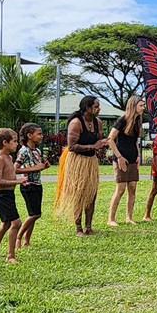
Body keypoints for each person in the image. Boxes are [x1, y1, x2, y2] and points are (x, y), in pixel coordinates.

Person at [54, 95, 108, 236]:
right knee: (79, 193)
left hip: (91, 162)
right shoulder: (76, 123)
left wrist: (102, 143)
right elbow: (72, 146)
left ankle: (88, 227)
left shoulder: (98, 122)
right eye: (96, 106)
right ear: (87, 108)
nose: (98, 109)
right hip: (77, 161)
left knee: (91, 194)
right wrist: (93, 146)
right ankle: (78, 228)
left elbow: (98, 139)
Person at [0, 128, 27, 263]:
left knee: (5, 224)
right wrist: (17, 181)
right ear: (5, 142)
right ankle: (10, 255)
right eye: (14, 141)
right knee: (16, 223)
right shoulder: (0, 159)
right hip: (1, 195)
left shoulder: (9, 157)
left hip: (8, 194)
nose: (17, 144)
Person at [106, 95, 144, 226]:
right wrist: (119, 157)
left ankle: (129, 217)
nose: (143, 108)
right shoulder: (122, 120)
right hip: (121, 158)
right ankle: (111, 219)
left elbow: (135, 141)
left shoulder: (138, 121)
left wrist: (138, 156)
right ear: (133, 106)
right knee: (120, 188)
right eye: (141, 105)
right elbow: (110, 139)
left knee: (132, 187)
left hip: (133, 158)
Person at [15, 123, 49, 247]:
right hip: (28, 185)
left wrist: (43, 167)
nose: (41, 136)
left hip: (37, 184)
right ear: (29, 135)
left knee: (35, 214)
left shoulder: (37, 151)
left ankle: (26, 241)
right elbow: (15, 169)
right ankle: (18, 237)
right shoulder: (23, 151)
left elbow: (37, 168)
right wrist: (35, 168)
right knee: (34, 214)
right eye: (39, 134)